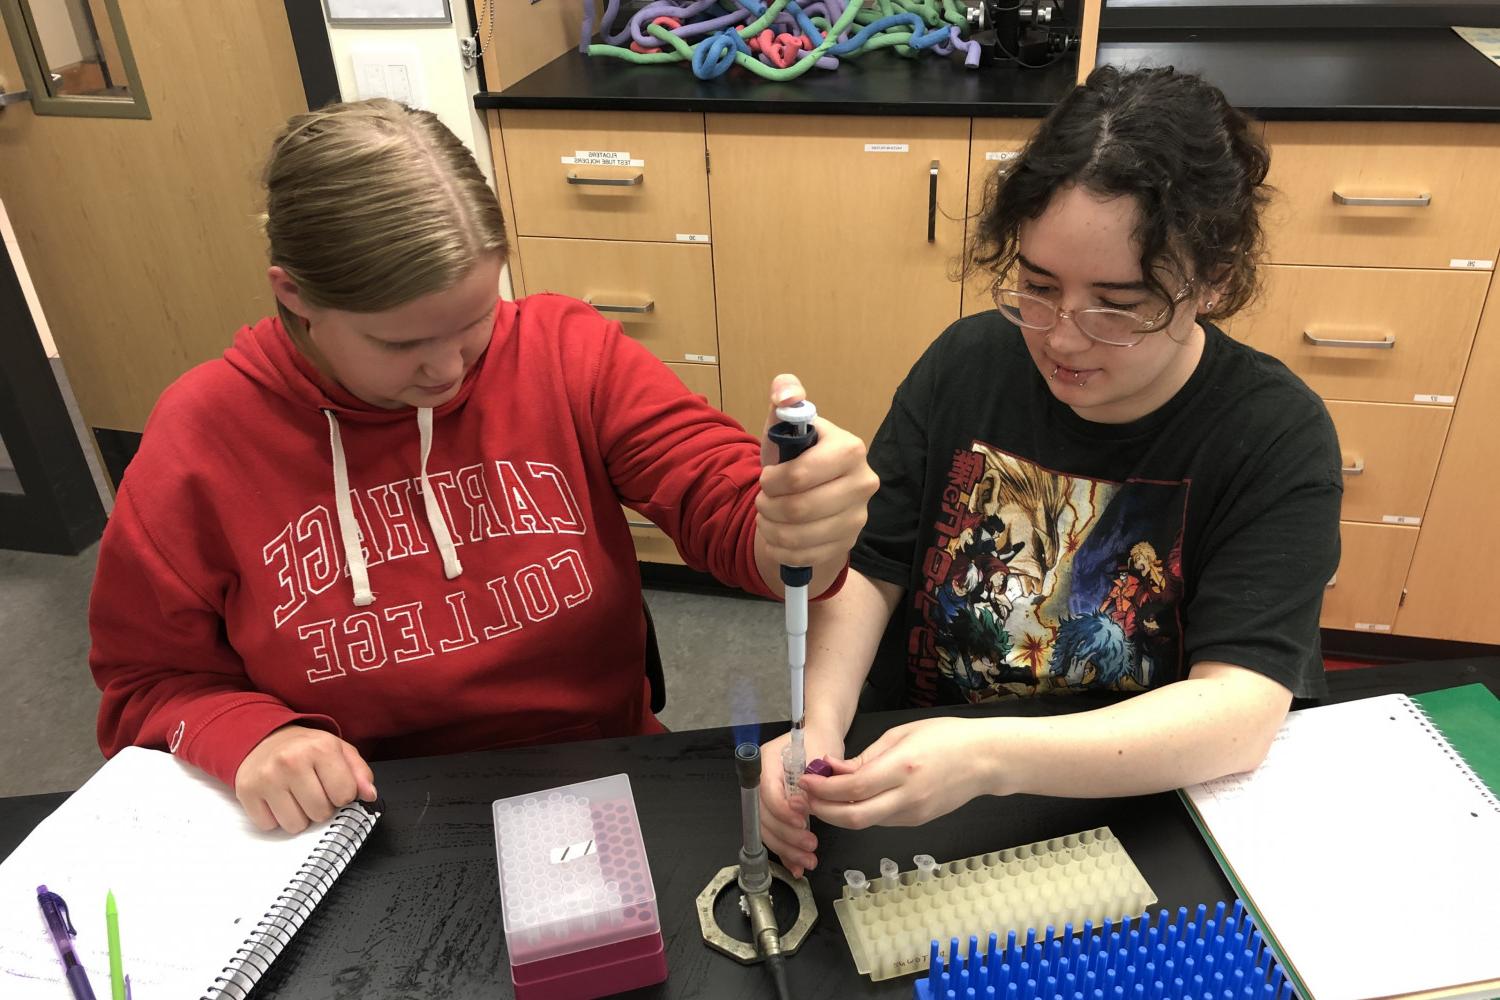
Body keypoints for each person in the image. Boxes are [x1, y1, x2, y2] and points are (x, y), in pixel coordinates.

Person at [88, 99, 878, 835]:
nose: (448, 372)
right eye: (400, 344)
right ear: (294, 296)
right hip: (363, 815)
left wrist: (795, 523)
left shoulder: (565, 351)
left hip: (599, 778)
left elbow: (724, 504)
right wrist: (251, 735)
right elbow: (145, 682)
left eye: (473, 322)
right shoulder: (201, 434)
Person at [758, 66, 1342, 876]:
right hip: (916, 797)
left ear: (1210, 281)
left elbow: (1240, 707)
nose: (1062, 337)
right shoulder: (967, 363)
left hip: (1134, 816)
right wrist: (814, 723)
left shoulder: (1272, 432)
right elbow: (875, 566)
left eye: (1116, 304)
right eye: (1036, 287)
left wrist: (993, 757)